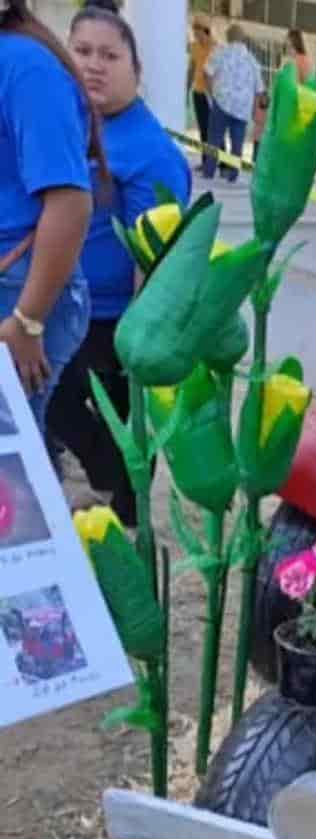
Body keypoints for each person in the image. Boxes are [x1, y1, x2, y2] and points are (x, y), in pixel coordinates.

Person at [47, 3, 190, 522]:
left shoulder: (150, 152)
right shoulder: (71, 124)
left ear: (136, 69)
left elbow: (157, 258)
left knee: (89, 413)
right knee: (71, 413)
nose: (93, 64)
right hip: (64, 301)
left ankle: (123, 510)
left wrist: (142, 339)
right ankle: (111, 497)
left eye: (110, 55)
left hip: (116, 321)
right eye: (81, 51)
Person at [0, 0, 94, 429]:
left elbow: (70, 202)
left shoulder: (26, 66)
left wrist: (27, 320)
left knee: (10, 468)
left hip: (20, 290)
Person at [202, 24, 263, 183]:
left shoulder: (220, 53)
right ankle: (232, 175)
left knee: (214, 139)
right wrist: (255, 110)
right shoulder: (252, 61)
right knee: (237, 144)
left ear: (228, 37)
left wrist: (211, 93)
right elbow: (259, 90)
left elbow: (207, 73)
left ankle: (209, 172)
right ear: (243, 39)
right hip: (242, 108)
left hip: (221, 103)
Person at [189, 14, 214, 169]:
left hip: (211, 94)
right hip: (198, 92)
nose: (195, 35)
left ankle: (221, 160)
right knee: (203, 129)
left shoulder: (215, 47)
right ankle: (206, 161)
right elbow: (191, 68)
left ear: (204, 30)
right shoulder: (194, 47)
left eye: (197, 31)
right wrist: (187, 87)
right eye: (194, 31)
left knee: (214, 130)